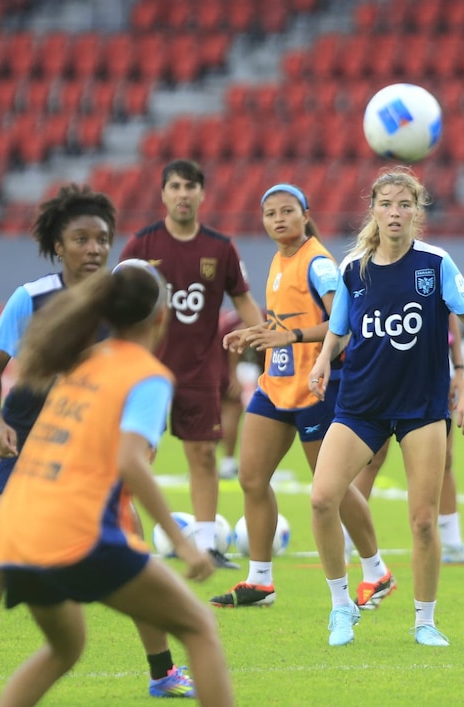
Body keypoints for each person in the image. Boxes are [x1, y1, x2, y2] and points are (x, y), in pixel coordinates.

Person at [0, 185, 194, 704]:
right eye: (80, 239)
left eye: (102, 238)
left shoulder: (126, 301)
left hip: (92, 457)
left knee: (135, 548)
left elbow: (140, 379)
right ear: (58, 246)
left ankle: (163, 672)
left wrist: (144, 440)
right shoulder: (32, 298)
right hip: (19, 450)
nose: (94, 248)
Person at [0, 261, 234, 707]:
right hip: (74, 535)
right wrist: (185, 542)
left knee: (65, 648)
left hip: (14, 532)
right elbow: (130, 463)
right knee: (198, 627)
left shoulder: (81, 363)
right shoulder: (147, 375)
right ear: (162, 317)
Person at [307, 167, 464, 647]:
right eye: (386, 204)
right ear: (373, 209)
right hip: (360, 406)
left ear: (417, 211)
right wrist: (324, 359)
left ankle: (425, 621)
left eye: (404, 204)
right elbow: (340, 326)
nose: (395, 212)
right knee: (323, 497)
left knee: (423, 520)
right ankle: (341, 607)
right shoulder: (354, 268)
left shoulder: (436, 263)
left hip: (421, 408)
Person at [208, 184, 396, 611]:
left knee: (330, 486)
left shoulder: (319, 264)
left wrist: (289, 336)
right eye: (270, 212)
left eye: (287, 211)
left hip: (316, 386)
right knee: (252, 478)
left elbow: (342, 324)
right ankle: (260, 581)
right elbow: (283, 322)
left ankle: (376, 570)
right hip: (276, 386)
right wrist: (259, 334)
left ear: (305, 214)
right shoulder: (278, 260)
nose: (278, 218)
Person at [120, 159, 265, 569]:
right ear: (163, 194)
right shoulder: (142, 246)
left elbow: (242, 301)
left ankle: (206, 546)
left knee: (203, 456)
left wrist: (275, 344)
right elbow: (117, 301)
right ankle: (124, 539)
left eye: (191, 187)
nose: (183, 194)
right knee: (137, 455)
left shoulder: (220, 248)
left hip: (200, 371)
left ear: (202, 194)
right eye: (176, 186)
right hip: (147, 374)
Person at [351, 313, 464, 565]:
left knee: (445, 460)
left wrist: (459, 369)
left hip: (431, 373)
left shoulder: (437, 274)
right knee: (372, 459)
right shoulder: (368, 274)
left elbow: (451, 314)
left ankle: (452, 543)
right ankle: (346, 539)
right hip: (388, 371)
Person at [216, 309, 246, 481]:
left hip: (214, 365)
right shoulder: (260, 315)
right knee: (232, 409)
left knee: (219, 414)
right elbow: (237, 341)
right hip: (224, 368)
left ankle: (216, 461)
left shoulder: (230, 315)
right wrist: (233, 374)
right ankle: (227, 462)